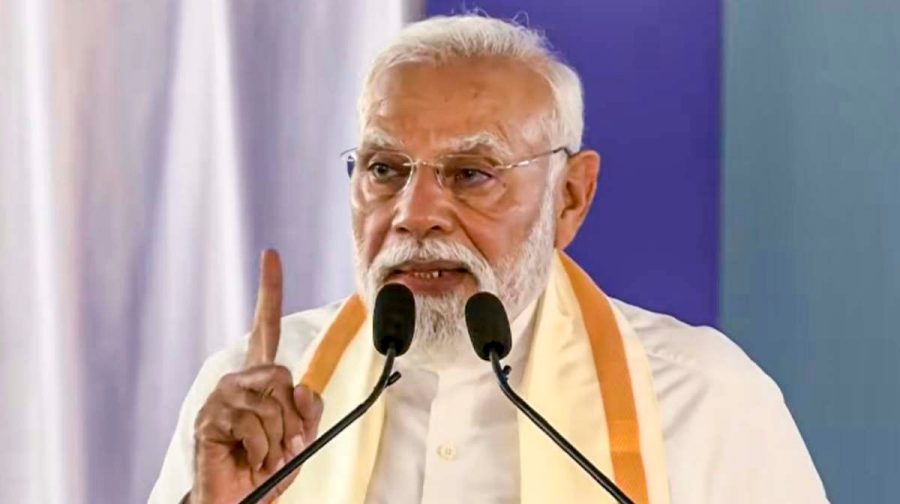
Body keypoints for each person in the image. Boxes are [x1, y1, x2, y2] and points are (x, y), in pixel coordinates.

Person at [149, 15, 828, 504]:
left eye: (471, 174)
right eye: (385, 169)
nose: (414, 214)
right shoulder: (255, 404)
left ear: (569, 198)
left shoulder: (704, 400)